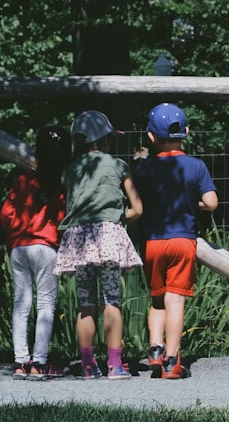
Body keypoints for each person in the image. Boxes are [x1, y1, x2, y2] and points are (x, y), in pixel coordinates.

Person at [53, 111, 144, 380]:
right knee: (111, 300)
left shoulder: (70, 170)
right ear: (104, 140)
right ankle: (115, 365)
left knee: (86, 303)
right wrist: (115, 218)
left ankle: (88, 365)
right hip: (108, 237)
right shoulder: (118, 166)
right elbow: (137, 209)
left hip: (79, 239)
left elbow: (65, 205)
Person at [133, 103, 219, 379]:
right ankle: (172, 360)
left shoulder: (143, 169)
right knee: (176, 301)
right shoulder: (196, 166)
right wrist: (195, 203)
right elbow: (212, 203)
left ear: (150, 137)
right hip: (183, 241)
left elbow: (137, 204)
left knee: (157, 299)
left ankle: (155, 350)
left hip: (153, 242)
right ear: (187, 132)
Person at [0, 126, 70, 380]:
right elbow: (62, 221)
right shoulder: (60, 187)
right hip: (46, 247)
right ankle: (39, 363)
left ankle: (20, 361)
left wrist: (16, 234)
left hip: (19, 247)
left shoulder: (21, 180)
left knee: (21, 303)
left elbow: (6, 215)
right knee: (46, 305)